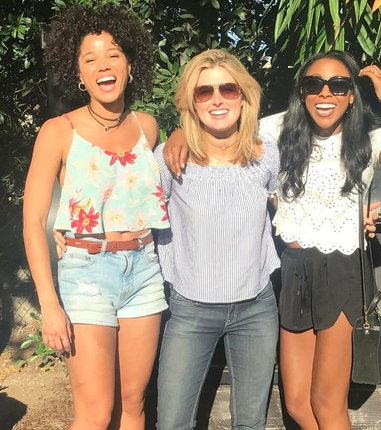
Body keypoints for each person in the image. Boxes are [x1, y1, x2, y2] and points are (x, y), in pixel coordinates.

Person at [22, 4, 169, 430]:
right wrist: (49, 303)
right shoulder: (58, 131)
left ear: (130, 66)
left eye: (113, 55)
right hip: (86, 274)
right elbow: (33, 222)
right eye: (91, 59)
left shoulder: (148, 127)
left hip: (144, 270)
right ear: (79, 75)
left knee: (133, 403)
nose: (103, 66)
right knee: (95, 412)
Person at [275, 50, 381, 429]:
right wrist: (179, 135)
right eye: (314, 84)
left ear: (351, 96)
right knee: (297, 403)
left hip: (343, 270)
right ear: (302, 92)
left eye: (339, 85)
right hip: (295, 270)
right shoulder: (280, 129)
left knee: (326, 404)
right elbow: (223, 135)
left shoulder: (368, 139)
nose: (325, 93)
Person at [153, 49, 280, 430]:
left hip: (256, 308)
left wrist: (360, 216)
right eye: (204, 91)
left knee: (250, 424)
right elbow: (138, 216)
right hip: (190, 309)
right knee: (172, 423)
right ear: (191, 102)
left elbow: (295, 204)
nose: (217, 99)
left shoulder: (267, 154)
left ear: (244, 96)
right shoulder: (170, 159)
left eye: (228, 88)